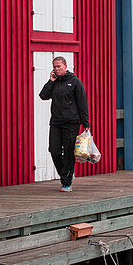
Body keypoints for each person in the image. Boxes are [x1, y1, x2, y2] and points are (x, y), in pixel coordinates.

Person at [39, 56, 89, 192]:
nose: (56, 69)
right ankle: (67, 174)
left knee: (68, 152)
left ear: (65, 66)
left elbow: (82, 103)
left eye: (59, 66)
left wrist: (86, 123)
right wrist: (50, 81)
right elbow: (43, 96)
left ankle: (66, 183)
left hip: (71, 122)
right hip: (56, 122)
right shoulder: (54, 82)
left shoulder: (75, 82)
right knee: (54, 150)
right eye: (54, 67)